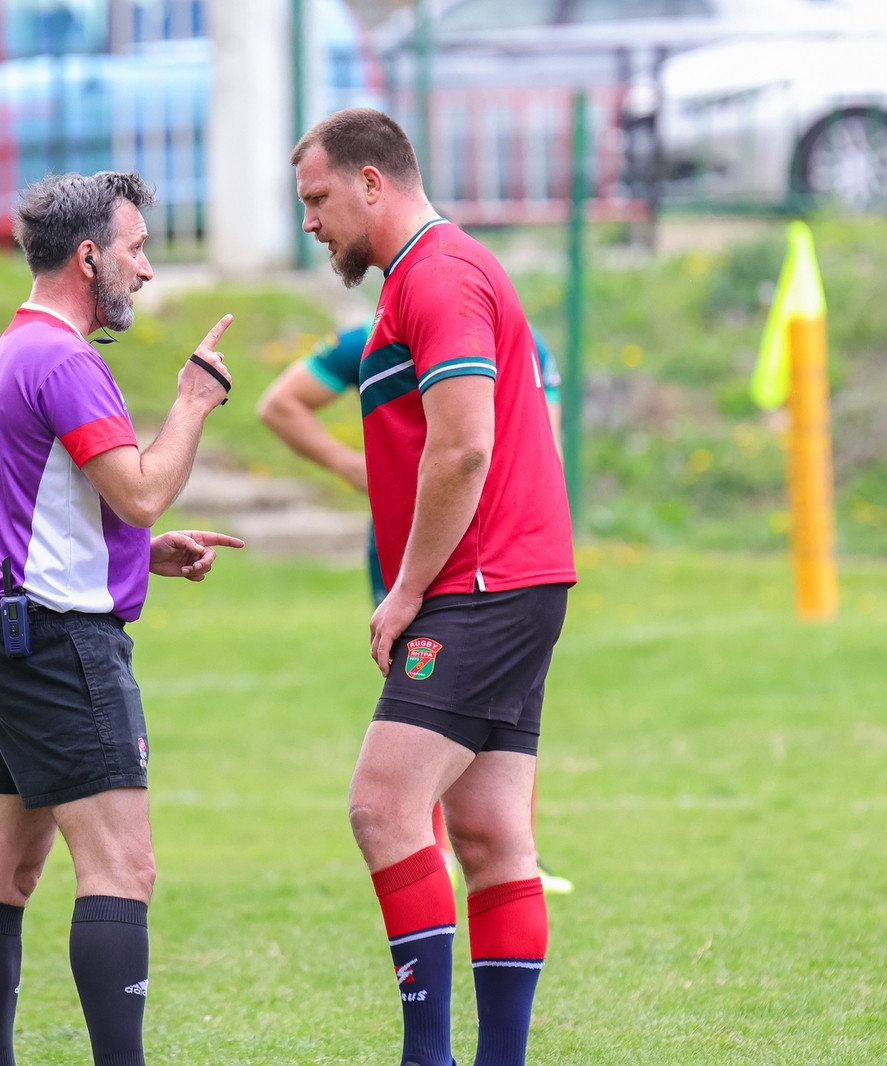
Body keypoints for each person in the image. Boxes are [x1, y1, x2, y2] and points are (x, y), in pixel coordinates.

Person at [291, 109, 576, 1066]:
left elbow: (464, 447)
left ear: (373, 183)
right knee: (491, 837)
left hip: (480, 584)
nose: (310, 221)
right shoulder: (417, 279)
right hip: (510, 579)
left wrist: (407, 587)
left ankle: (428, 1058)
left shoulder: (440, 273)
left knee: (382, 806)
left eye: (318, 198)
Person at [0, 170, 242, 1066]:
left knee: (2, 870)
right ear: (88, 256)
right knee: (123, 869)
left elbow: (27, 512)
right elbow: (142, 492)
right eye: (136, 248)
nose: (145, 269)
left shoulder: (17, 348)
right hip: (57, 645)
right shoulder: (69, 361)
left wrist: (136, 556)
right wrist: (193, 400)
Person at [256, 322, 574, 896]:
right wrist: (350, 466)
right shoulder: (372, 339)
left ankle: (505, 847)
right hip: (419, 547)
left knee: (497, 699)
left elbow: (536, 448)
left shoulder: (522, 340)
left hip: (496, 554)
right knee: (429, 697)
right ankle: (443, 847)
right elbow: (279, 405)